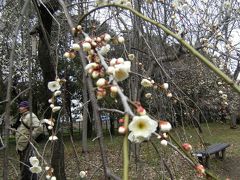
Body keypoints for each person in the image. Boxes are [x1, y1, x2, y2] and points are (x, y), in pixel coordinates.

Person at [15, 101, 43, 180]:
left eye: (21, 106)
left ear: (26, 108)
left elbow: (39, 127)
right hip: (22, 146)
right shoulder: (23, 117)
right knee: (24, 166)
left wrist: (31, 137)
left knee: (29, 166)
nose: (19, 108)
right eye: (19, 106)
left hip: (27, 145)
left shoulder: (30, 116)